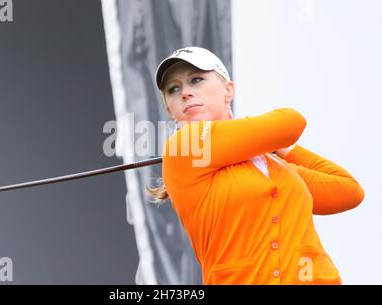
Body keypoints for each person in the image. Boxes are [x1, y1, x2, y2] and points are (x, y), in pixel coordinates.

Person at [148, 46, 365, 284]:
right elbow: (291, 122)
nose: (185, 93)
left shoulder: (271, 163)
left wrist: (283, 150)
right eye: (173, 89)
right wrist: (269, 141)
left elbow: (349, 191)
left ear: (228, 91)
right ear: (169, 109)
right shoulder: (184, 147)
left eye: (196, 80)